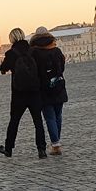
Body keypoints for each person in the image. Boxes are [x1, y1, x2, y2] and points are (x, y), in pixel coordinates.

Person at [0, 28, 47, 160]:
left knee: (14, 121)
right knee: (38, 121)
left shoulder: (11, 53)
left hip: (18, 93)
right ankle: (41, 149)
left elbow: (3, 68)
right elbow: (41, 69)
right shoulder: (33, 51)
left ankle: (8, 149)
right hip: (34, 91)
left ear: (12, 39)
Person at [30, 26, 68, 156]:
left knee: (50, 117)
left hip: (43, 89)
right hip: (58, 86)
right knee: (58, 115)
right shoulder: (56, 50)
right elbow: (62, 68)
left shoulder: (33, 52)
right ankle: (56, 142)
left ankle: (56, 144)